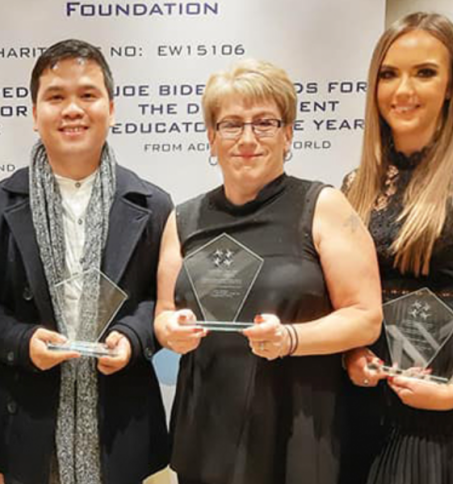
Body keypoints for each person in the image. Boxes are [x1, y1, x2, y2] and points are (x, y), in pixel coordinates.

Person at [154, 59, 383, 484]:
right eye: (231, 124)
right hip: (207, 425)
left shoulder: (324, 206)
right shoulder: (183, 219)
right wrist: (171, 330)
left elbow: (366, 317)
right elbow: (164, 314)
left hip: (299, 425)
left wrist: (291, 339)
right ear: (211, 136)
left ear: (288, 133)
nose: (247, 138)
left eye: (264, 123)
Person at [0, 39, 172, 484]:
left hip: (120, 417)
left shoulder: (152, 205)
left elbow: (159, 302)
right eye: (56, 97)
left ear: (111, 109)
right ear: (34, 113)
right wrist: (23, 340)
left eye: (87, 94)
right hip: (29, 417)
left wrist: (131, 337)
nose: (73, 110)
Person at [340, 12, 453, 484]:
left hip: (444, 408)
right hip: (365, 401)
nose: (403, 90)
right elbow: (345, 298)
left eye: (424, 73)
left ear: (451, 85)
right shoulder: (355, 185)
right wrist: (351, 354)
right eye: (389, 74)